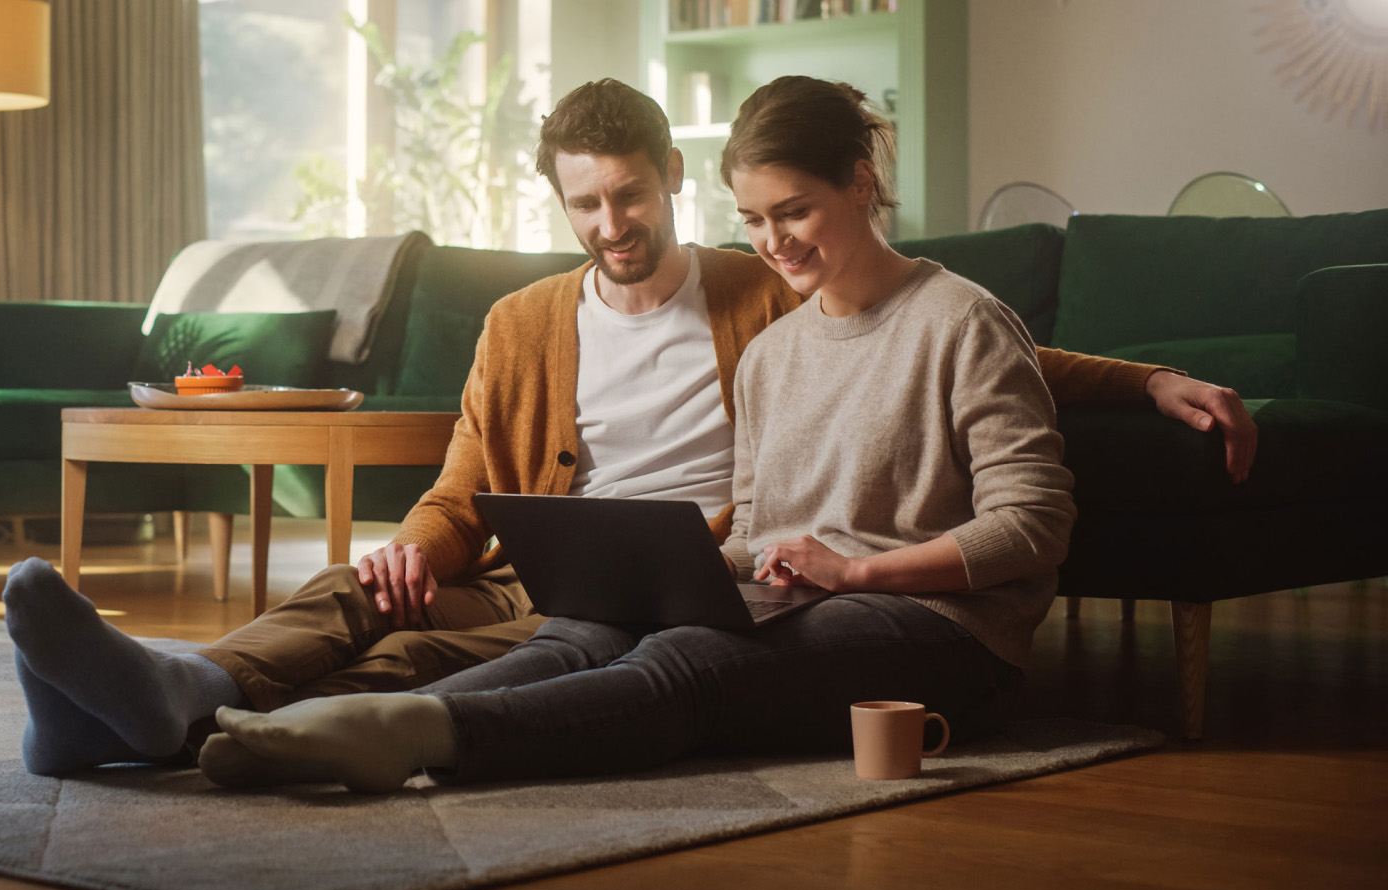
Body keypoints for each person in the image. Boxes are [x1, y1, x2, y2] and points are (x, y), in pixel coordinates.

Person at [1, 78, 1256, 776]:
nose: (612, 222)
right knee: (362, 595)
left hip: (715, 577)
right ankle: (169, 693)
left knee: (498, 662)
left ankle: (239, 732)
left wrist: (1142, 377)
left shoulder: (765, 297)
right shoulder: (534, 324)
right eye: (585, 204)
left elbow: (963, 353)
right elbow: (461, 486)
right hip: (568, 571)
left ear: (666, 181)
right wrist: (419, 550)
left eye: (631, 194)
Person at [196, 74, 1080, 791]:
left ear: (860, 183)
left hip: (938, 625)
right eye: (756, 221)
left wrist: (855, 571)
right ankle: (315, 725)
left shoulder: (962, 320)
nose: (775, 243)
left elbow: (1033, 526)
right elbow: (763, 520)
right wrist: (694, 569)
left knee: (687, 658)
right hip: (808, 600)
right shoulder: (773, 353)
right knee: (585, 635)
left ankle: (423, 734)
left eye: (795, 212)